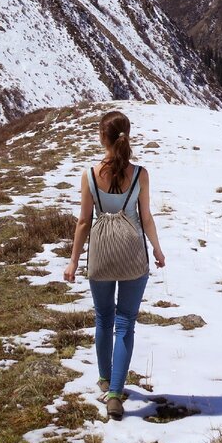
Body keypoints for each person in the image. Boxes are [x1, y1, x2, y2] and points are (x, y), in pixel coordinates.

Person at [63, 110, 166, 420]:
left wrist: (73, 262)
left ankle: (105, 380)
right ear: (127, 136)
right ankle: (115, 396)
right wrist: (158, 251)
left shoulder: (90, 175)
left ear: (101, 138)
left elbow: (83, 222)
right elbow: (146, 217)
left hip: (101, 256)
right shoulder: (140, 174)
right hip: (134, 256)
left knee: (104, 318)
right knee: (125, 322)